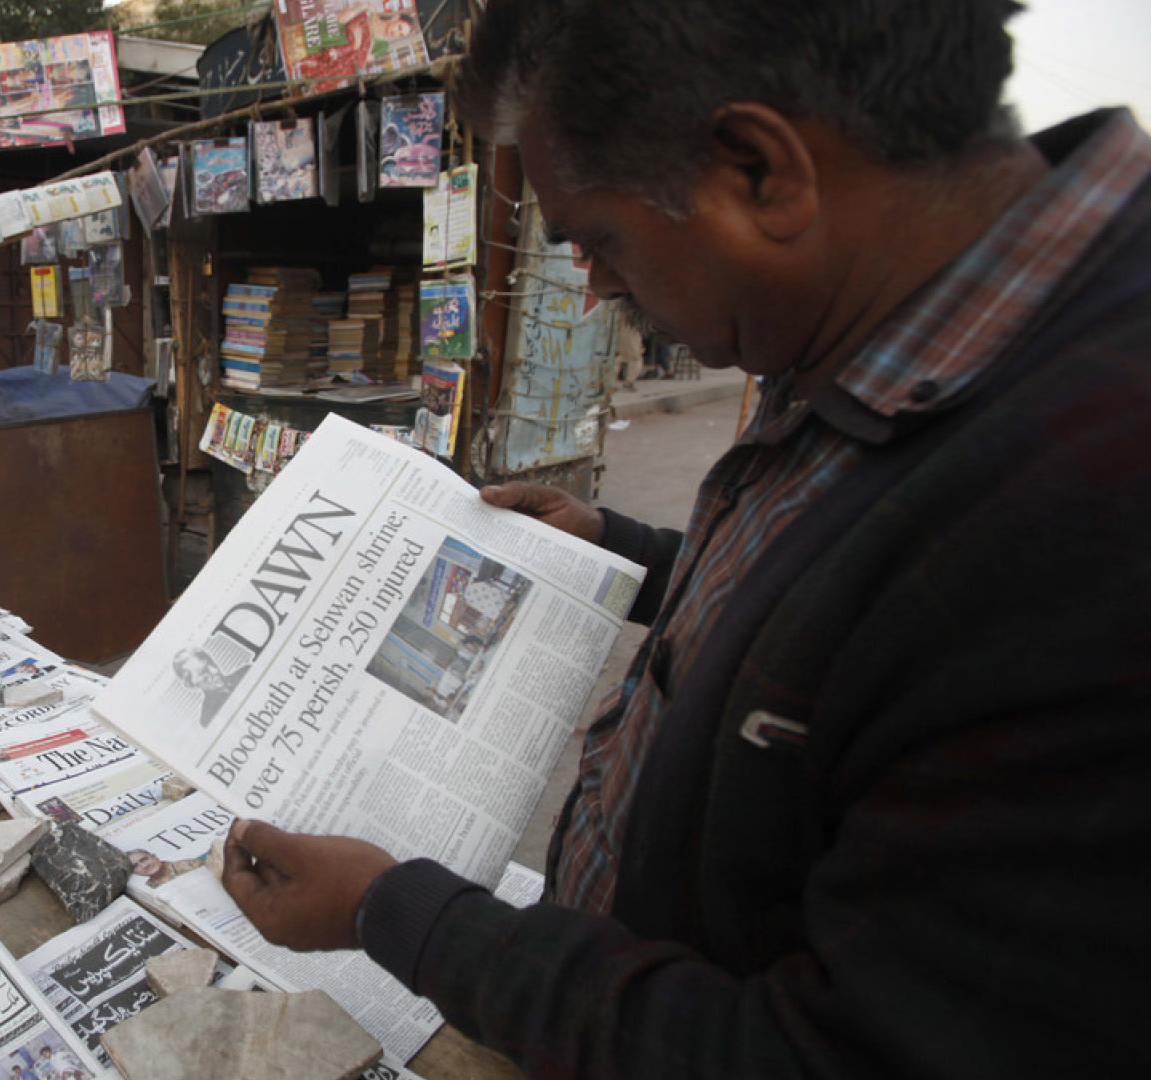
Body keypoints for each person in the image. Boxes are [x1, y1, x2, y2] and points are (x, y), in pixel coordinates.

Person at [218, 2, 1151, 1076]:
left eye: (598, 238)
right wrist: (620, 547)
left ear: (762, 171)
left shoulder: (1091, 503)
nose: (599, 284)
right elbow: (836, 628)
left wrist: (401, 913)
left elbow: (831, 1055)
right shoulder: (884, 333)